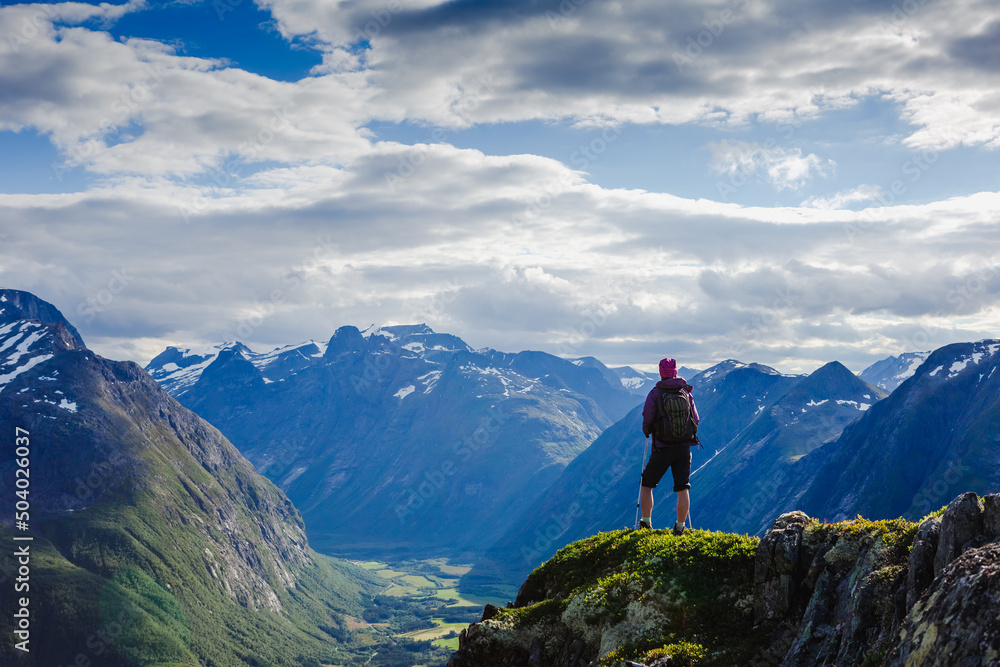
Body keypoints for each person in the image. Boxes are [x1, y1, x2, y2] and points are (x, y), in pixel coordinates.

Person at [639, 357, 700, 535]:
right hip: (683, 448)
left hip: (662, 447)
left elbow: (647, 418)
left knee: (647, 484)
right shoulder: (686, 393)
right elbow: (695, 419)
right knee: (682, 488)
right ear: (675, 371)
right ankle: (680, 527)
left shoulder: (655, 393)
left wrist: (648, 431)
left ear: (660, 372)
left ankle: (646, 523)